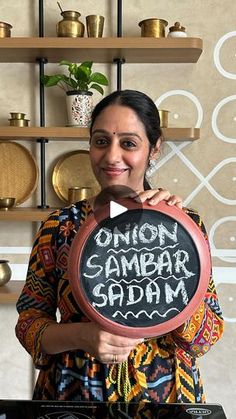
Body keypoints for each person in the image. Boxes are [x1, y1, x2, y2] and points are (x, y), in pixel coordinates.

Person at [15, 89, 224, 403]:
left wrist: (171, 233)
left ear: (154, 149)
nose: (112, 157)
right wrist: (81, 336)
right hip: (75, 401)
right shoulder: (59, 227)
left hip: (164, 402)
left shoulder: (185, 226)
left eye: (128, 143)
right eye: (101, 141)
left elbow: (205, 337)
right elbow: (29, 325)